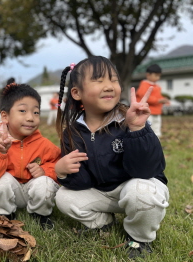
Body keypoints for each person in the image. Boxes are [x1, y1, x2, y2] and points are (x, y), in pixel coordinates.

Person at [54, 56, 169, 259]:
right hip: (104, 192)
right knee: (63, 196)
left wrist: (137, 129)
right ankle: (103, 223)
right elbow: (82, 183)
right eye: (99, 80)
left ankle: (140, 238)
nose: (109, 86)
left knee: (140, 191)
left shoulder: (128, 120)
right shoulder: (73, 133)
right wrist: (62, 172)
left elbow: (147, 170)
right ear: (77, 93)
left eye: (113, 80)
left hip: (138, 186)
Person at [0, 82, 61, 229]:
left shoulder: (44, 145)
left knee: (44, 183)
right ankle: (5, 215)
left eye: (36, 112)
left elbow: (59, 166)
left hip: (33, 189)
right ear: (5, 116)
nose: (30, 118)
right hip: (11, 190)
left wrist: (45, 171)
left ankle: (40, 214)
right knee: (1, 180)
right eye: (22, 111)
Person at [136, 64, 170, 138]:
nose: (158, 77)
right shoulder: (144, 84)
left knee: (157, 128)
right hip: (147, 112)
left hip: (157, 111)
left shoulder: (157, 86)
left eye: (159, 76)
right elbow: (144, 97)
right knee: (148, 128)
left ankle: (156, 143)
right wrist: (158, 100)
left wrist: (164, 100)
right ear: (148, 75)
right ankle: (148, 143)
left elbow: (159, 96)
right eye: (156, 75)